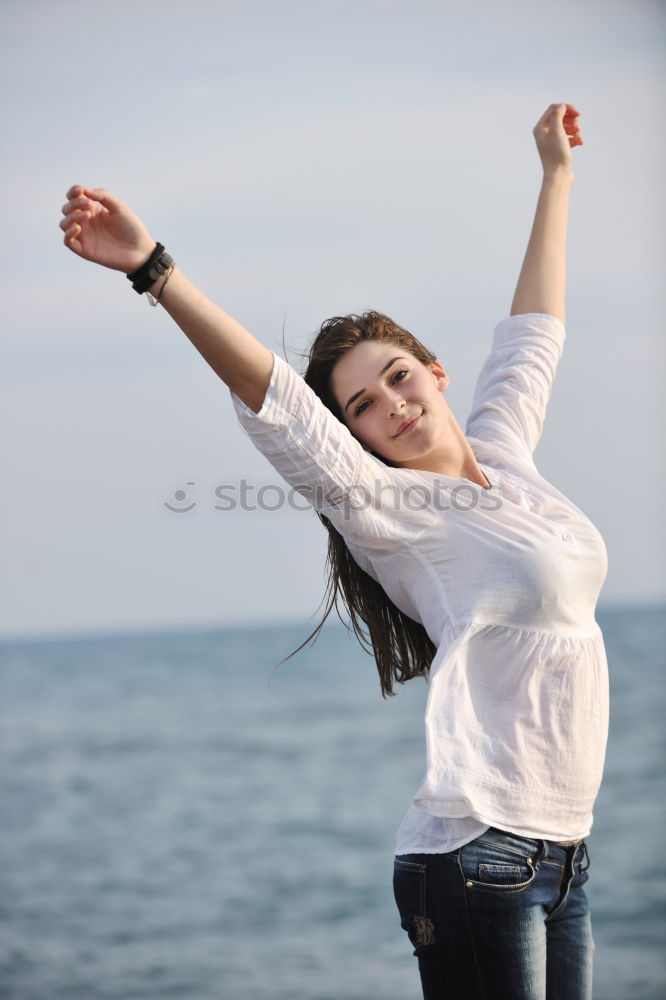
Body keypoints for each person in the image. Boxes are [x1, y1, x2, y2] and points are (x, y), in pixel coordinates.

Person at [59, 102, 607, 1000]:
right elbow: (275, 397)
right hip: (478, 858)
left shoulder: (506, 454)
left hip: (565, 852)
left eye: (397, 375)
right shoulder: (390, 510)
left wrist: (556, 177)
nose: (389, 402)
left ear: (433, 371)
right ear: (358, 440)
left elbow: (534, 331)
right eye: (361, 407)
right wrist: (155, 271)